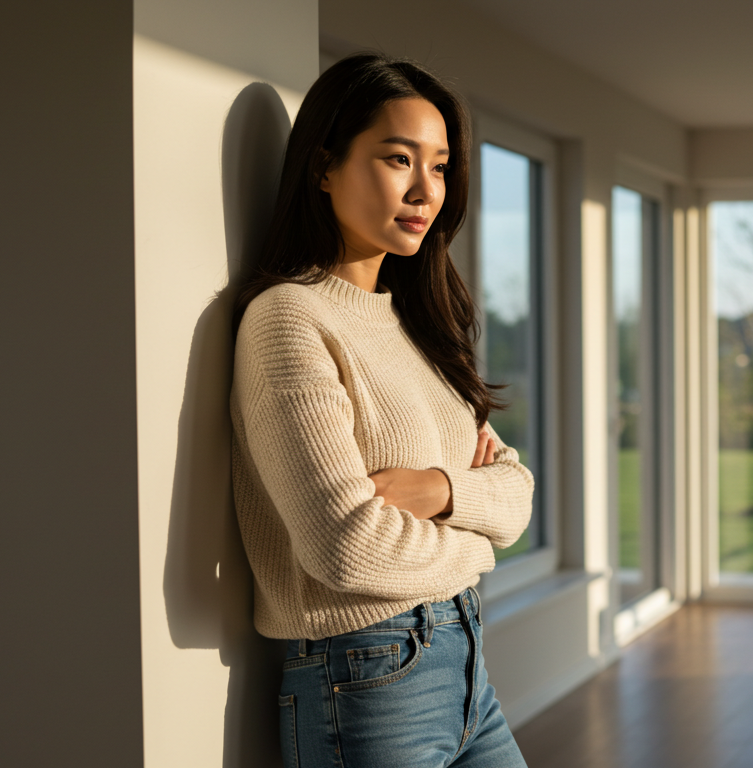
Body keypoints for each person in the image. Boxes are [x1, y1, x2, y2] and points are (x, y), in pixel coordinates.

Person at [229, 52, 534, 768]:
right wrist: (478, 543)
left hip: (466, 669)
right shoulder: (289, 320)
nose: (425, 190)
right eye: (399, 159)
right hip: (364, 681)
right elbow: (345, 547)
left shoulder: (419, 324)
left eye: (440, 165)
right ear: (324, 166)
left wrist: (441, 489)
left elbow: (516, 494)